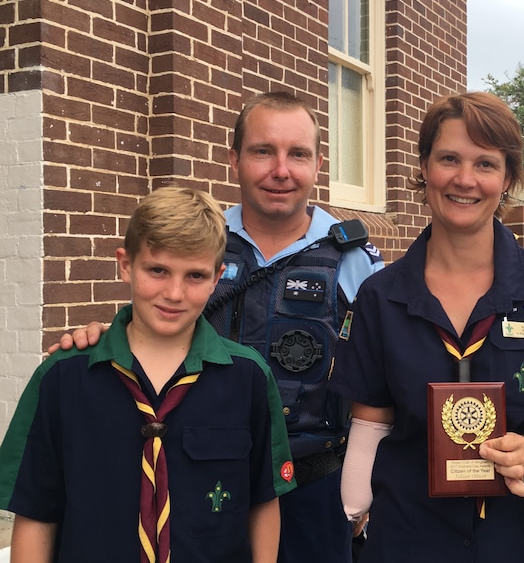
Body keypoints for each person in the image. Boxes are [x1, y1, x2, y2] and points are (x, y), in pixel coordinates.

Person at [49, 91, 384, 563]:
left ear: (318, 164)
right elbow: (154, 318)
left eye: (298, 154)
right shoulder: (201, 240)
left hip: (314, 490)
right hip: (199, 481)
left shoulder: (355, 260)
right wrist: (99, 335)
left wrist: (364, 485)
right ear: (234, 159)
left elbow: (380, 380)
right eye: (263, 151)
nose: (280, 170)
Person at [331, 91, 524, 562]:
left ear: (508, 177)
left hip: (523, 541)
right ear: (424, 167)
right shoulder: (380, 297)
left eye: (486, 164)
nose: (465, 180)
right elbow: (370, 426)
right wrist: (350, 518)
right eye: (449, 158)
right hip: (409, 539)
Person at [0, 187, 295, 562]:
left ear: (218, 276)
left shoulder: (249, 378)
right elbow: (36, 512)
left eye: (195, 276)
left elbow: (263, 501)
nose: (174, 292)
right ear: (125, 264)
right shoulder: (61, 378)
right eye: (157, 270)